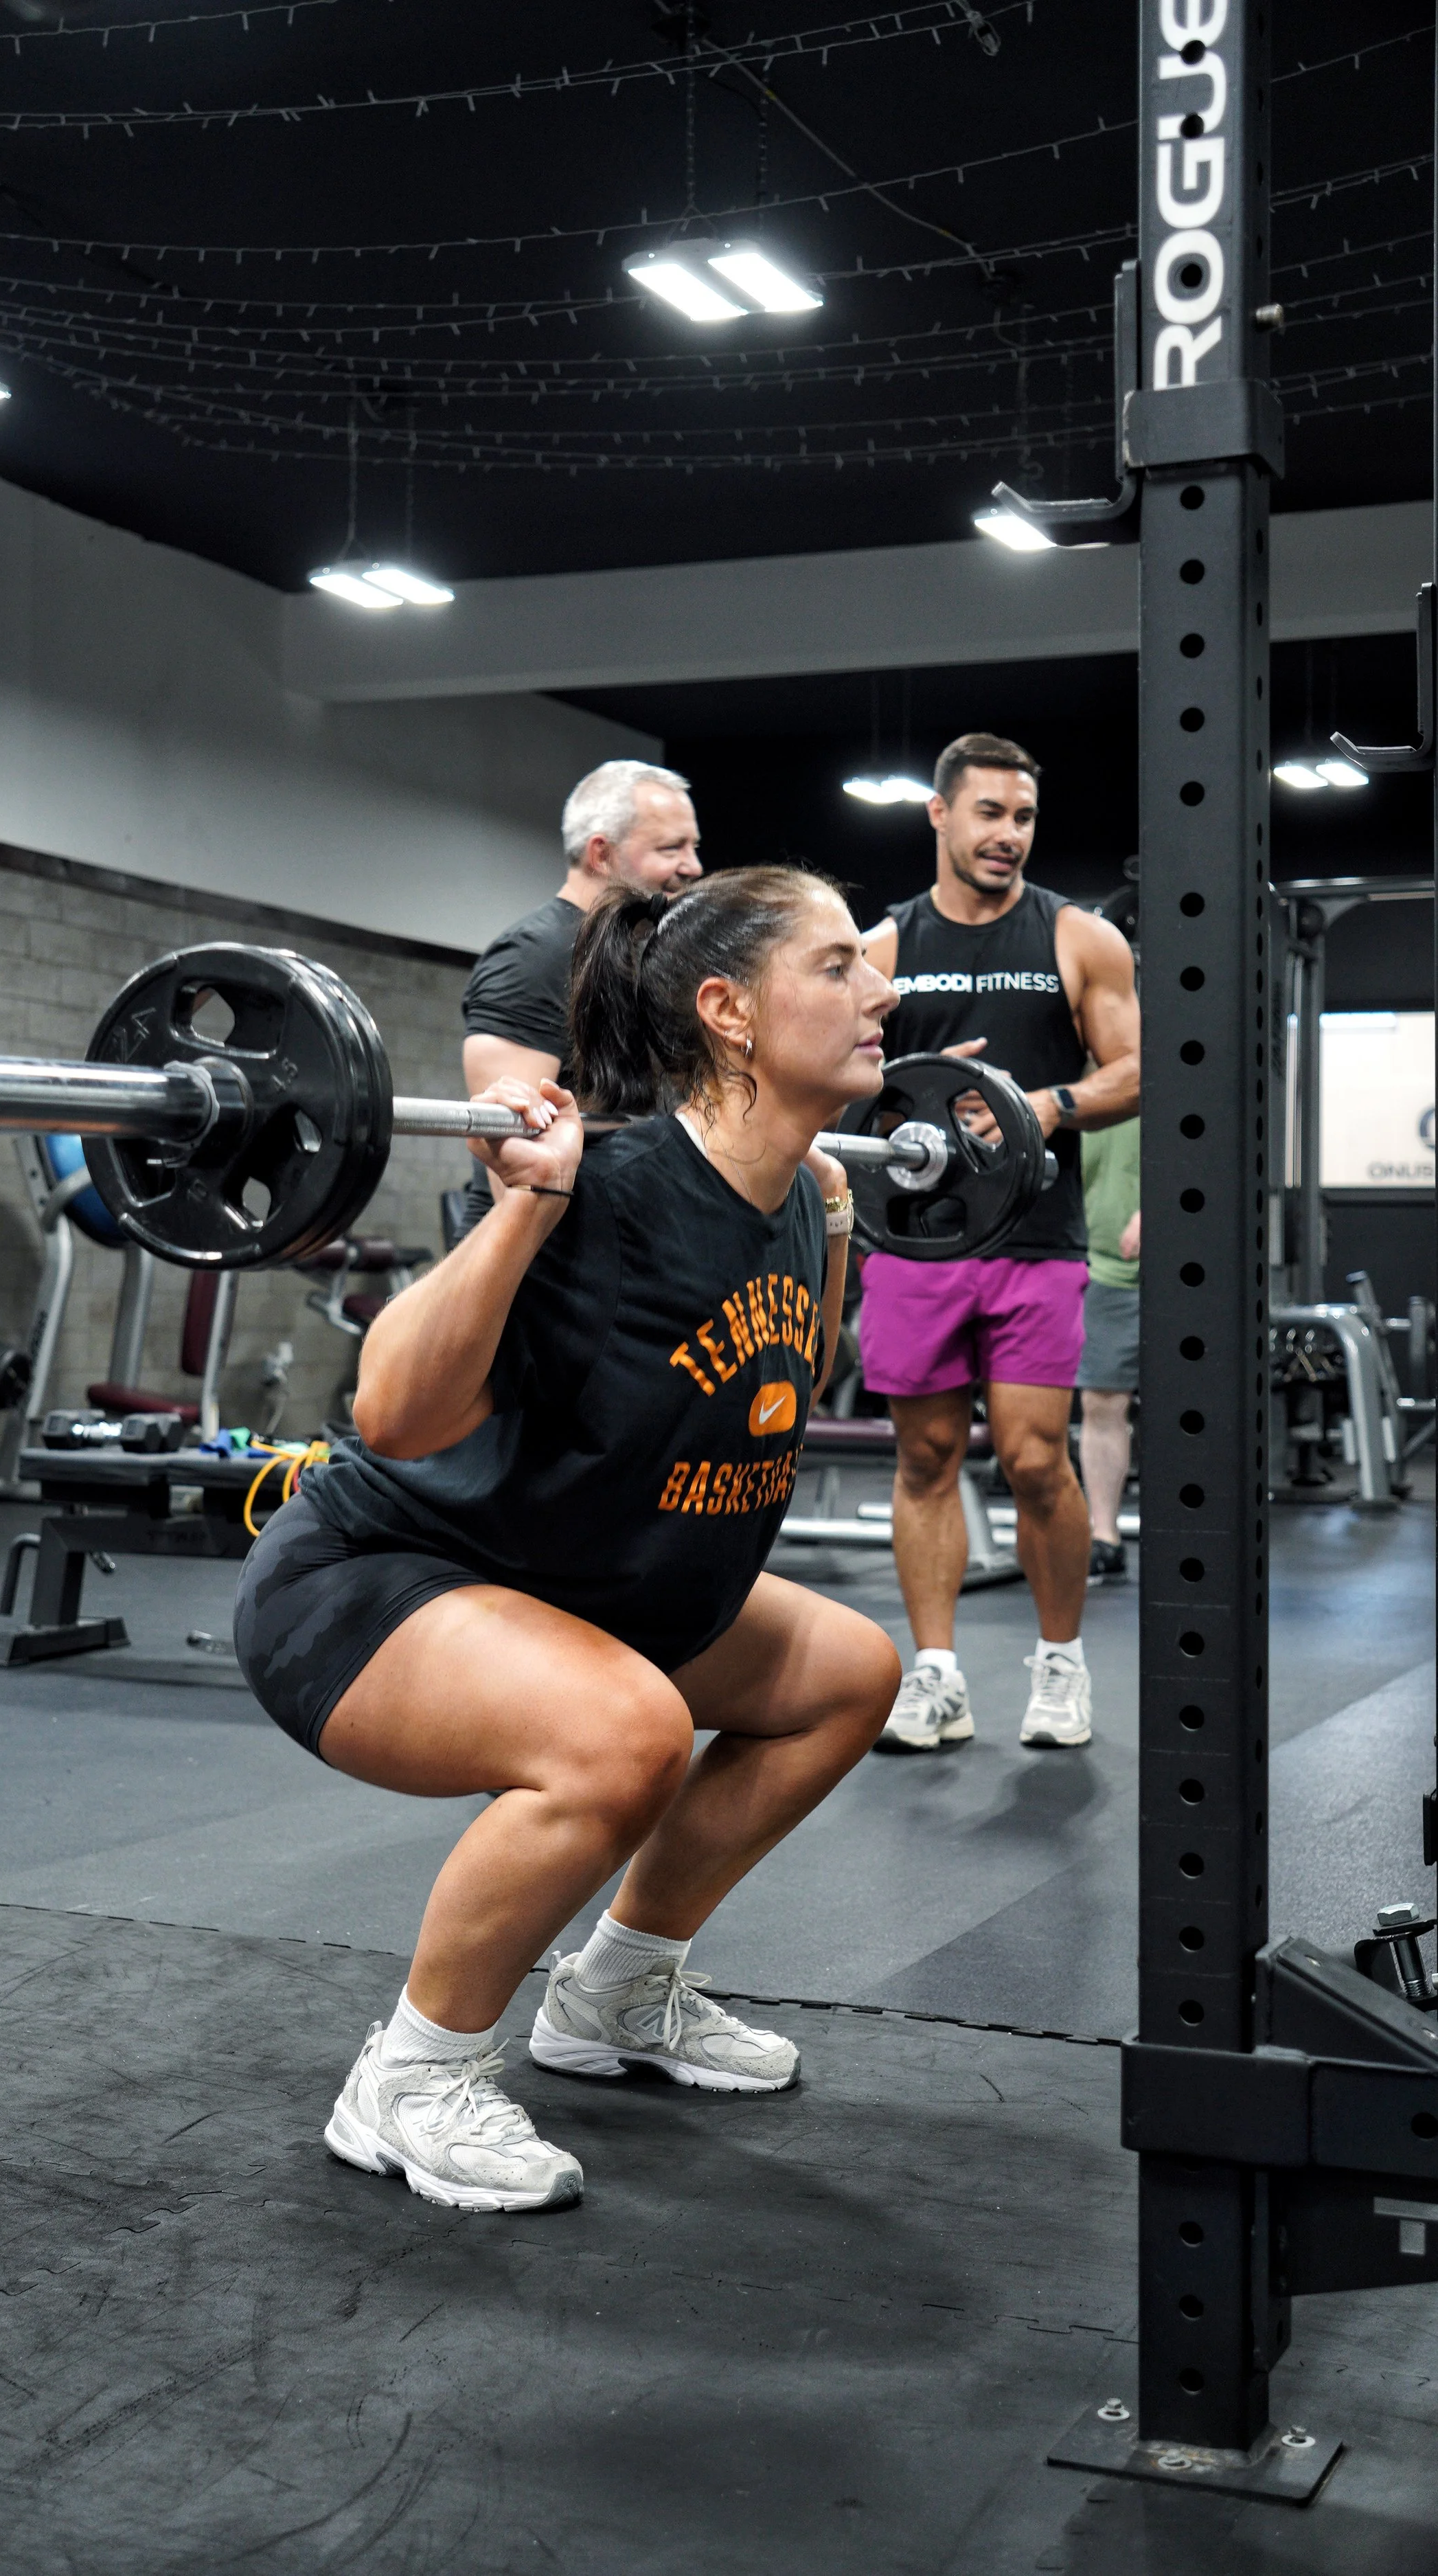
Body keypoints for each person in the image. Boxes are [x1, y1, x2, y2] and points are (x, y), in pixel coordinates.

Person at [234, 868, 902, 2214]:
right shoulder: (608, 1187)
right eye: (836, 967)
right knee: (626, 1735)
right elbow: (391, 1412)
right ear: (728, 1011)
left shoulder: (794, 1192)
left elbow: (780, 1385)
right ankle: (412, 2076)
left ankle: (615, 1994)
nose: (879, 991)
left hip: (573, 1577)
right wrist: (524, 1207)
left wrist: (832, 1221)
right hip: (375, 1587)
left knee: (846, 1674)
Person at [858, 732, 1140, 1756]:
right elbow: (838, 1078)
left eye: (1022, 817)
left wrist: (1043, 1105)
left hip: (1034, 1238)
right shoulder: (883, 949)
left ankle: (1060, 1661)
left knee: (1032, 1458)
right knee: (925, 1455)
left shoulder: (1078, 937)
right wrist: (907, 1101)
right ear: (940, 814)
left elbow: (1136, 1070)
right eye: (988, 813)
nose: (1007, 835)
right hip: (917, 1240)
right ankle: (936, 1676)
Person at [456, 758, 703, 1230]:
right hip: (543, 1258)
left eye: (694, 846)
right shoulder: (534, 958)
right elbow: (514, 1166)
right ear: (601, 855)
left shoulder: (640, 958)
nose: (693, 866)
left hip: (621, 1242)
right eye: (671, 848)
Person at [1077, 1117, 1141, 1583]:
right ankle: (1105, 1536)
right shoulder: (1062, 1089)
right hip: (1097, 1265)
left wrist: (1170, 1202)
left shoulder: (1161, 1085)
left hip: (1183, 1259)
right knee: (1101, 1401)